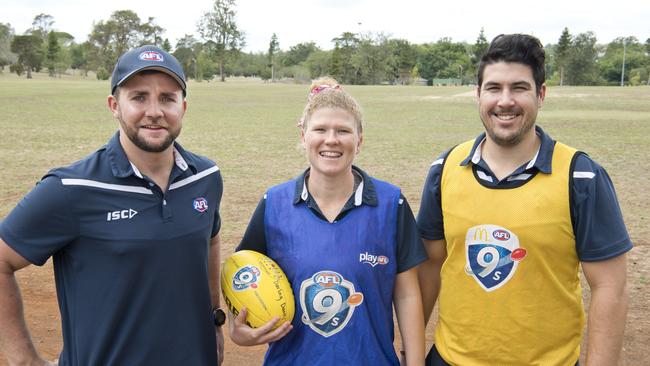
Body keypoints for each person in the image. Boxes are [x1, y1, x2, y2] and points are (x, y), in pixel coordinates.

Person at [0, 45, 225, 365]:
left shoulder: (205, 177)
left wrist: (214, 321)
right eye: (139, 96)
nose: (154, 111)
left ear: (183, 107)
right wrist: (24, 360)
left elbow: (211, 238)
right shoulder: (72, 189)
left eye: (167, 98)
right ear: (114, 105)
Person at [416, 34, 632, 366]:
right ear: (478, 94)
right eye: (493, 88)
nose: (505, 101)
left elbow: (610, 288)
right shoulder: (444, 169)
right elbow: (429, 266)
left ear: (540, 94)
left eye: (519, 88)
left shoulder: (582, 177)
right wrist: (411, 352)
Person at [230, 77, 428, 365]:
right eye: (320, 129)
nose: (331, 140)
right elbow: (244, 278)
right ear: (303, 135)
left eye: (343, 131)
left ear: (359, 140)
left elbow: (408, 294)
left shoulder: (391, 203)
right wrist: (239, 332)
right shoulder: (274, 203)